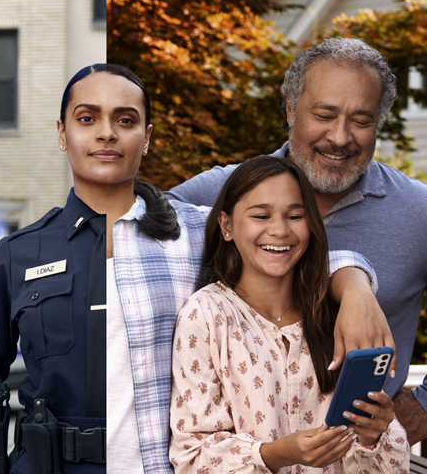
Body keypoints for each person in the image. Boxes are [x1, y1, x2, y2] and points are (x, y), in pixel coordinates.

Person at [0, 63, 387, 474]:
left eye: (125, 121)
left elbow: (287, 248)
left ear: (147, 137)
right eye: (87, 119)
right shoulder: (18, 254)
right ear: (62, 133)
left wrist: (356, 288)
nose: (107, 133)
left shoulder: (193, 234)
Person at [166, 37, 427, 445]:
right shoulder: (223, 193)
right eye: (324, 114)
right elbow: (131, 234)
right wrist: (349, 278)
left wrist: (424, 407)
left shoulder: (418, 212)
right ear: (290, 109)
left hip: (361, 461)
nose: (340, 137)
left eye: (361, 120)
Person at [169, 156, 409, 473]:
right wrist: (278, 453)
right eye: (261, 215)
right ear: (226, 226)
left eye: (295, 216)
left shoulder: (339, 314)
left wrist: (374, 435)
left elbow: (390, 465)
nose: (280, 230)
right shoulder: (205, 316)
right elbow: (192, 456)